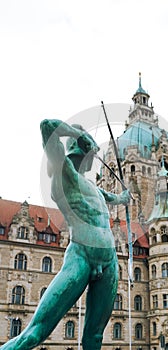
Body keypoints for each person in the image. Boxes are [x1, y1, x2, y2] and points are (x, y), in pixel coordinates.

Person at [1, 119, 130, 350]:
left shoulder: (93, 187)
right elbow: (46, 126)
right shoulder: (65, 174)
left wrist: (123, 198)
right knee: (34, 334)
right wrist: (77, 133)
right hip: (81, 257)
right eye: (91, 152)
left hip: (109, 261)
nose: (95, 157)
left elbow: (110, 197)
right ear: (81, 148)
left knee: (95, 337)